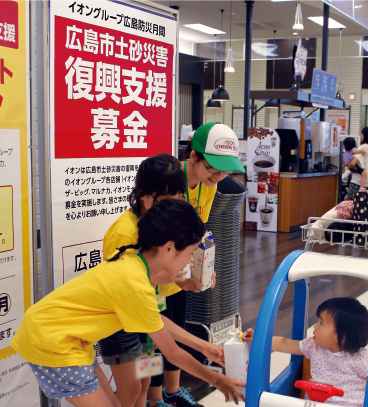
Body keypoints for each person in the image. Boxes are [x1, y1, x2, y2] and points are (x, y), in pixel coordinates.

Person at [11, 199, 246, 407]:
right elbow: (172, 352)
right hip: (52, 341)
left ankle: (157, 399)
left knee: (138, 385)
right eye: (190, 253)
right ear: (168, 248)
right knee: (132, 386)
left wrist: (204, 347)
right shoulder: (135, 284)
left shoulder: (137, 265)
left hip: (68, 336)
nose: (189, 262)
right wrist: (217, 379)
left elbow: (155, 318)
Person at [98, 154, 208, 407]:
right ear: (142, 193)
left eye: (178, 199)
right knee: (130, 388)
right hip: (125, 322)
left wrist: (182, 280)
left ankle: (155, 400)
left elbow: (159, 270)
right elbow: (128, 284)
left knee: (145, 380)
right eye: (164, 200)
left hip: (151, 310)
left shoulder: (159, 222)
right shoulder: (124, 233)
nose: (170, 207)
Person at [148, 122, 245, 407]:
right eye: (213, 167)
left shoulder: (208, 185)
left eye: (225, 169)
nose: (219, 175)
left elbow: (199, 228)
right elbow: (155, 237)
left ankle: (173, 391)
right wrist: (176, 276)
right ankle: (154, 400)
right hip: (157, 272)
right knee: (155, 341)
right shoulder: (168, 183)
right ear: (193, 157)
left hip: (180, 269)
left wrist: (204, 266)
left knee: (178, 333)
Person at [242, 297, 368, 407]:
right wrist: (259, 337)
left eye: (322, 323)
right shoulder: (313, 347)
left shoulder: (361, 359)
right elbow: (285, 344)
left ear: (342, 337)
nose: (315, 327)